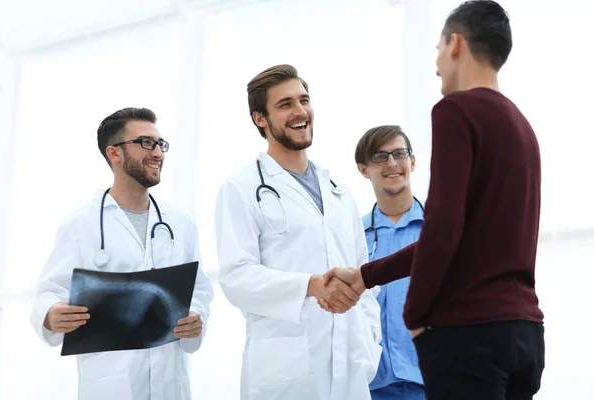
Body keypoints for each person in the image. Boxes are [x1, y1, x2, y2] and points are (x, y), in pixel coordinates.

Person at [323, 1, 545, 399]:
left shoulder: (455, 110)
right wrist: (366, 276)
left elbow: (443, 227)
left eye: (439, 49)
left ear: (456, 43)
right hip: (524, 335)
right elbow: (462, 238)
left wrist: (416, 317)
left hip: (469, 338)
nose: (437, 63)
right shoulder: (522, 126)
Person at [214, 64, 382, 400]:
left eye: (304, 100)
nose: (300, 111)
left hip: (350, 370)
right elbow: (236, 278)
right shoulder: (241, 188)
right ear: (260, 118)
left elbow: (365, 281)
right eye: (285, 104)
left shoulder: (339, 191)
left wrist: (367, 351)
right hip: (284, 375)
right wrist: (311, 285)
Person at [30, 107, 214, 400]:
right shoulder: (82, 223)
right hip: (110, 384)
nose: (157, 153)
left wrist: (196, 315)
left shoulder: (180, 222)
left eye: (160, 144)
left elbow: (200, 289)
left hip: (170, 382)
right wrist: (50, 315)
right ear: (114, 153)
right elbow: (48, 292)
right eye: (145, 143)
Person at [355, 126, 425, 400]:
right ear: (364, 169)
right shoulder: (354, 237)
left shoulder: (442, 231)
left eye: (399, 153)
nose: (392, 163)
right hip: (374, 385)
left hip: (436, 378)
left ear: (413, 161)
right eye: (380, 157)